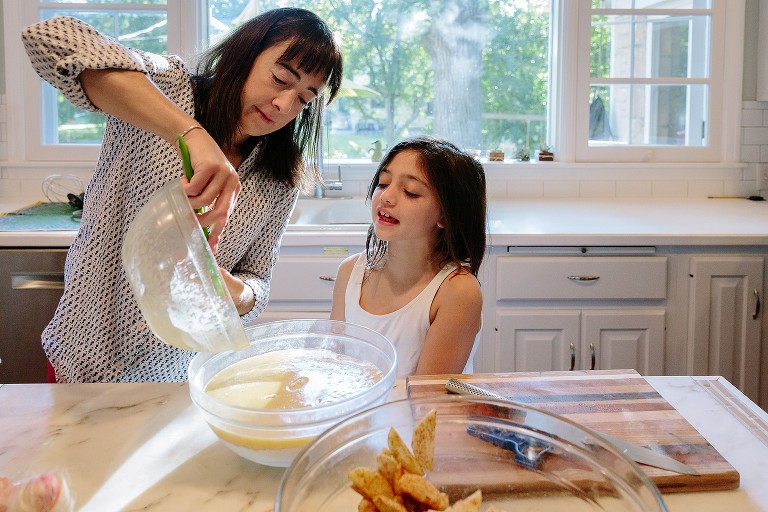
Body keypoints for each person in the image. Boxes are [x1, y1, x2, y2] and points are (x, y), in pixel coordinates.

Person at [21, 8, 343, 382]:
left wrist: (236, 294)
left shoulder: (280, 176)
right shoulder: (169, 88)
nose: (284, 105)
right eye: (280, 78)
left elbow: (258, 281)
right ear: (245, 53)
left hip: (171, 375)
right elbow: (48, 37)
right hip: (82, 354)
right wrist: (189, 133)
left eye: (304, 99)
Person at [330, 136, 487, 378]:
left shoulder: (457, 291)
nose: (386, 197)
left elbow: (426, 400)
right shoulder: (350, 272)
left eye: (411, 193)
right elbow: (335, 367)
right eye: (383, 184)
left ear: (445, 216)